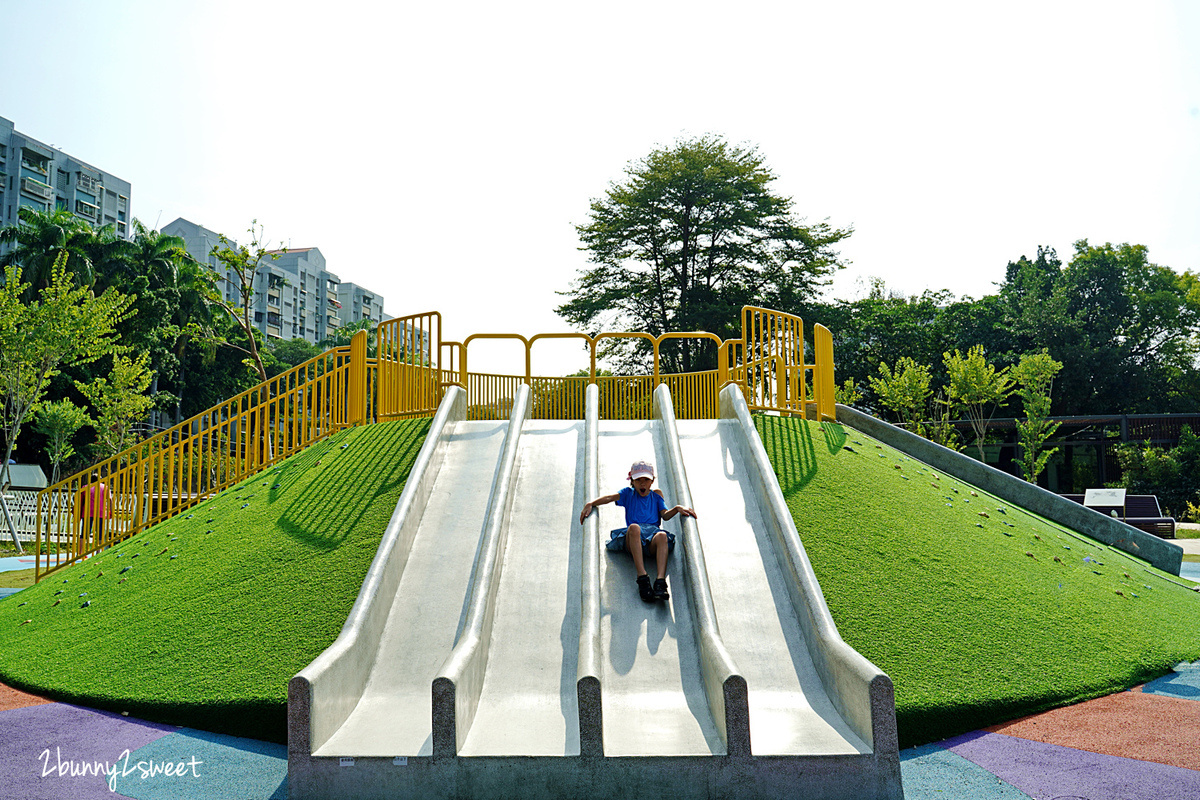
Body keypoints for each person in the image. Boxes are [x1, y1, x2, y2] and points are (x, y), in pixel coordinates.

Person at [578, 460, 696, 602]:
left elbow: (665, 515)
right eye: (638, 480)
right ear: (632, 481)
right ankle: (642, 577)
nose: (642, 483)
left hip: (651, 539)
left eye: (646, 479)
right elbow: (610, 497)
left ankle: (660, 582)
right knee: (634, 527)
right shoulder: (628, 494)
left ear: (652, 481)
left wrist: (677, 508)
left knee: (662, 535)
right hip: (634, 539)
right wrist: (591, 503)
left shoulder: (656, 495)